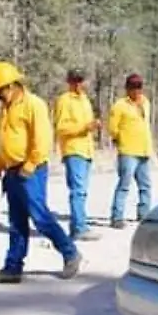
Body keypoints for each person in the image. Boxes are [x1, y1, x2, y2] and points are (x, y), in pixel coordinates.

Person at [0, 61, 83, 284]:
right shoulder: (6, 109)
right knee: (16, 222)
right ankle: (13, 267)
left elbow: (43, 139)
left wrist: (29, 166)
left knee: (40, 217)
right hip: (12, 170)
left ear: (12, 85)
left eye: (0, 90)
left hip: (31, 171)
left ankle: (70, 253)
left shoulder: (34, 105)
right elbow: (6, 142)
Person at [54, 68, 102, 241]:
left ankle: (77, 226)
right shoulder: (64, 101)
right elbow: (61, 128)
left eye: (81, 80)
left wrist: (93, 126)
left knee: (81, 191)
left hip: (86, 150)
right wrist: (84, 127)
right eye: (75, 80)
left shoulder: (85, 100)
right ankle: (80, 228)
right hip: (73, 150)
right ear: (69, 81)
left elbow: (86, 125)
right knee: (78, 190)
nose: (79, 84)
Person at [108, 73, 153, 229]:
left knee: (145, 186)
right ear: (127, 88)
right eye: (133, 87)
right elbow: (112, 128)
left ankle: (144, 214)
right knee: (124, 185)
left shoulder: (146, 103)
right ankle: (117, 216)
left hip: (144, 150)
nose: (137, 90)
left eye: (139, 87)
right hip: (128, 151)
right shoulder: (120, 105)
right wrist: (119, 140)